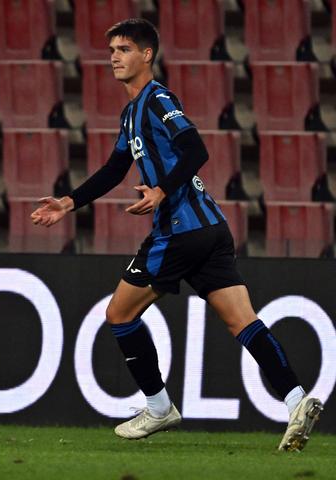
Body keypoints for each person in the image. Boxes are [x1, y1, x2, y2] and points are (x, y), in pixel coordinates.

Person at [30, 18, 323, 451]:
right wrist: (68, 203)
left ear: (147, 55)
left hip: (179, 231)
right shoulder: (131, 113)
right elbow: (114, 170)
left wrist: (163, 190)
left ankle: (159, 405)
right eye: (112, 48)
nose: (114, 56)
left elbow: (196, 148)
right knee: (242, 321)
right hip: (211, 229)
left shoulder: (157, 99)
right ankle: (297, 400)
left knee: (120, 315)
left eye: (125, 48)